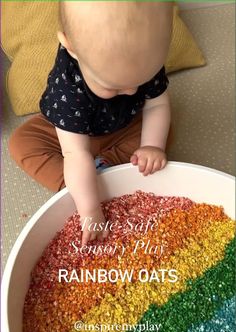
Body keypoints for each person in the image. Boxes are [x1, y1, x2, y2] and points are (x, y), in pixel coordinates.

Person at [8, 1, 174, 245]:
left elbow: (157, 105)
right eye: (113, 85)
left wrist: (152, 146)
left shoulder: (145, 55)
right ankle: (88, 182)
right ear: (71, 47)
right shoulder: (66, 85)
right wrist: (90, 212)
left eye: (141, 80)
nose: (130, 91)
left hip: (123, 125)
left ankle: (100, 174)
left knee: (162, 132)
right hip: (70, 134)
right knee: (21, 143)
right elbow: (74, 153)